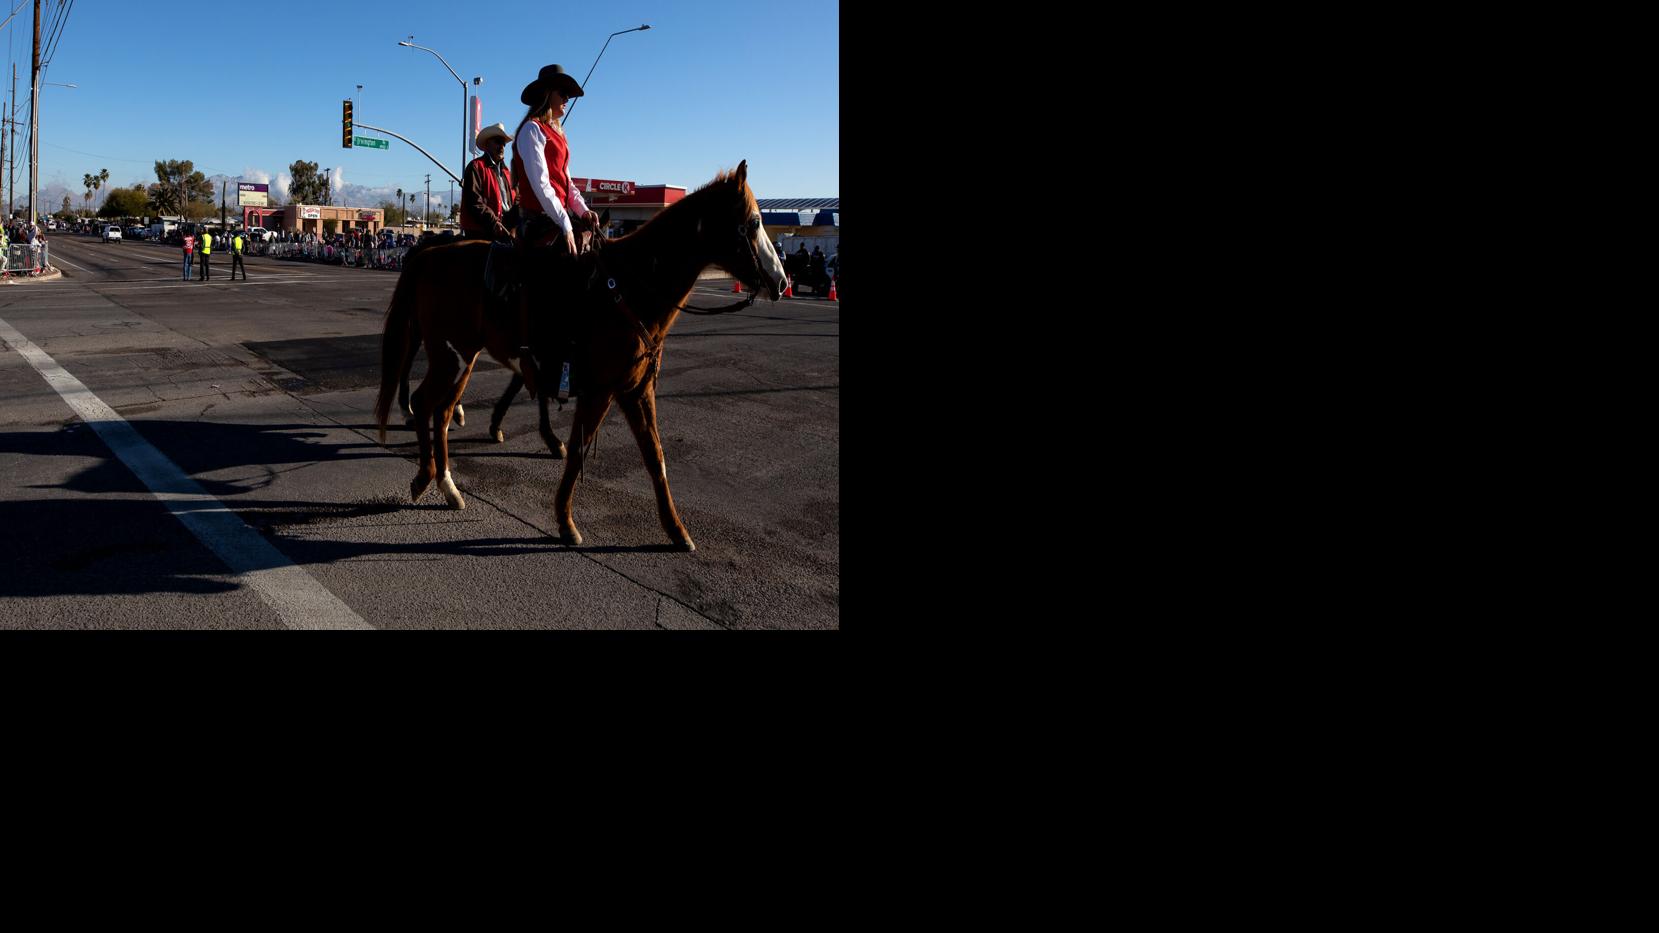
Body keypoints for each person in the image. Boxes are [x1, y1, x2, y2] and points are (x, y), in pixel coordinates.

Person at [511, 63, 601, 398]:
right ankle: (556, 362)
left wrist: (584, 211)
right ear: (547, 93)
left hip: (559, 217)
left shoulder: (558, 133)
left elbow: (566, 185)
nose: (566, 99)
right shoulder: (530, 131)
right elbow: (541, 184)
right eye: (563, 93)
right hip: (538, 222)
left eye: (568, 94)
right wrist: (565, 222)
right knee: (567, 277)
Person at [462, 122, 518, 242]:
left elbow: (516, 200)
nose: (502, 146)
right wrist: (494, 222)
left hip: (505, 232)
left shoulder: (508, 173)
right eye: (498, 141)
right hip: (481, 235)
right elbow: (474, 202)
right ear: (487, 144)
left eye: (503, 143)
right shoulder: (475, 167)